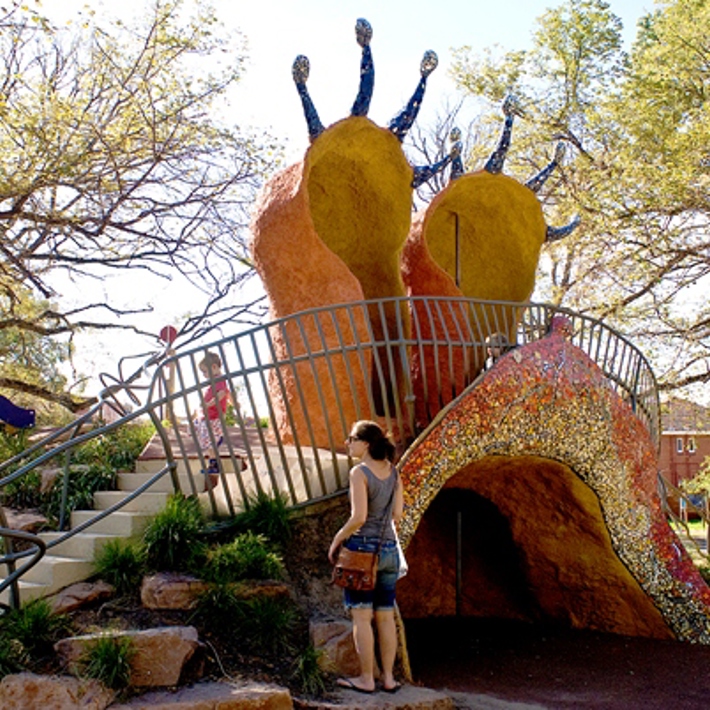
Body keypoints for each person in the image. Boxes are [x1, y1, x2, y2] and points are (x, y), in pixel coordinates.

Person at [328, 420, 404, 694]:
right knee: (385, 617)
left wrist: (337, 538)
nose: (347, 443)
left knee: (362, 618)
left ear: (366, 443)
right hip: (389, 550)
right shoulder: (394, 473)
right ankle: (388, 679)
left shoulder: (359, 472)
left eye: (351, 438)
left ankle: (366, 679)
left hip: (361, 552)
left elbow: (358, 517)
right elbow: (397, 515)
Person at [193, 351, 230, 490]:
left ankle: (214, 464)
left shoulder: (219, 380)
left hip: (213, 416)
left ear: (214, 367)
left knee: (210, 441)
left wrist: (208, 404)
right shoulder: (214, 381)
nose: (204, 375)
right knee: (208, 441)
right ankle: (213, 463)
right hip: (208, 416)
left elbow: (222, 393)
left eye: (204, 372)